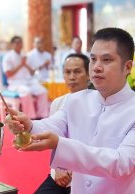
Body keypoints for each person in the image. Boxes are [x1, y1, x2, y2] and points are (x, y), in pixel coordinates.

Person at [4, 27, 135, 194]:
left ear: (127, 67)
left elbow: (121, 163)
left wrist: (60, 144)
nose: (96, 67)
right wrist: (29, 125)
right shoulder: (75, 100)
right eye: (93, 59)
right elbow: (54, 125)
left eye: (107, 60)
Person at [35, 53, 90, 194]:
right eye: (67, 72)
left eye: (77, 71)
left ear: (89, 74)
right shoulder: (57, 103)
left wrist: (73, 171)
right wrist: (58, 168)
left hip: (86, 175)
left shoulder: (97, 104)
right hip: (59, 174)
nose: (72, 77)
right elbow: (54, 140)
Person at [2, 36, 49, 119]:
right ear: (12, 45)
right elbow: (8, 74)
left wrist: (25, 64)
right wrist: (21, 64)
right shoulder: (8, 57)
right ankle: (30, 117)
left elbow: (32, 72)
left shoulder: (25, 56)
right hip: (15, 83)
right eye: (17, 42)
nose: (19, 44)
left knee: (43, 91)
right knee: (27, 92)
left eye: (21, 42)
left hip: (27, 81)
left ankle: (42, 115)